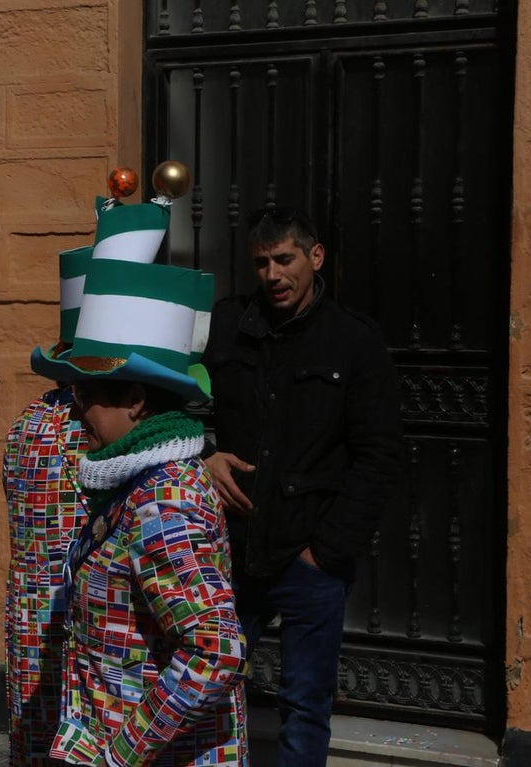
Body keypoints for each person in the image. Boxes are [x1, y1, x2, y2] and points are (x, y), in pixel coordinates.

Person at [32, 185, 247, 766]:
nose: (76, 410)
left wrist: (121, 753)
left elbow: (215, 651)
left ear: (133, 401)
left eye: (87, 395)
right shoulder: (132, 485)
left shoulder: (163, 501)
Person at [202, 207, 404, 766]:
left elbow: (380, 454)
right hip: (232, 550)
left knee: (304, 705)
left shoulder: (353, 340)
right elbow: (169, 399)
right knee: (202, 687)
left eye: (284, 259)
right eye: (262, 263)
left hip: (310, 556)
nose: (273, 275)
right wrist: (202, 453)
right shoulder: (226, 324)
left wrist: (327, 551)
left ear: (315, 259)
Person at [3, 244, 92, 766]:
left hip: (32, 614)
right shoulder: (86, 426)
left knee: (35, 742)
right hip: (78, 620)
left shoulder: (27, 422)